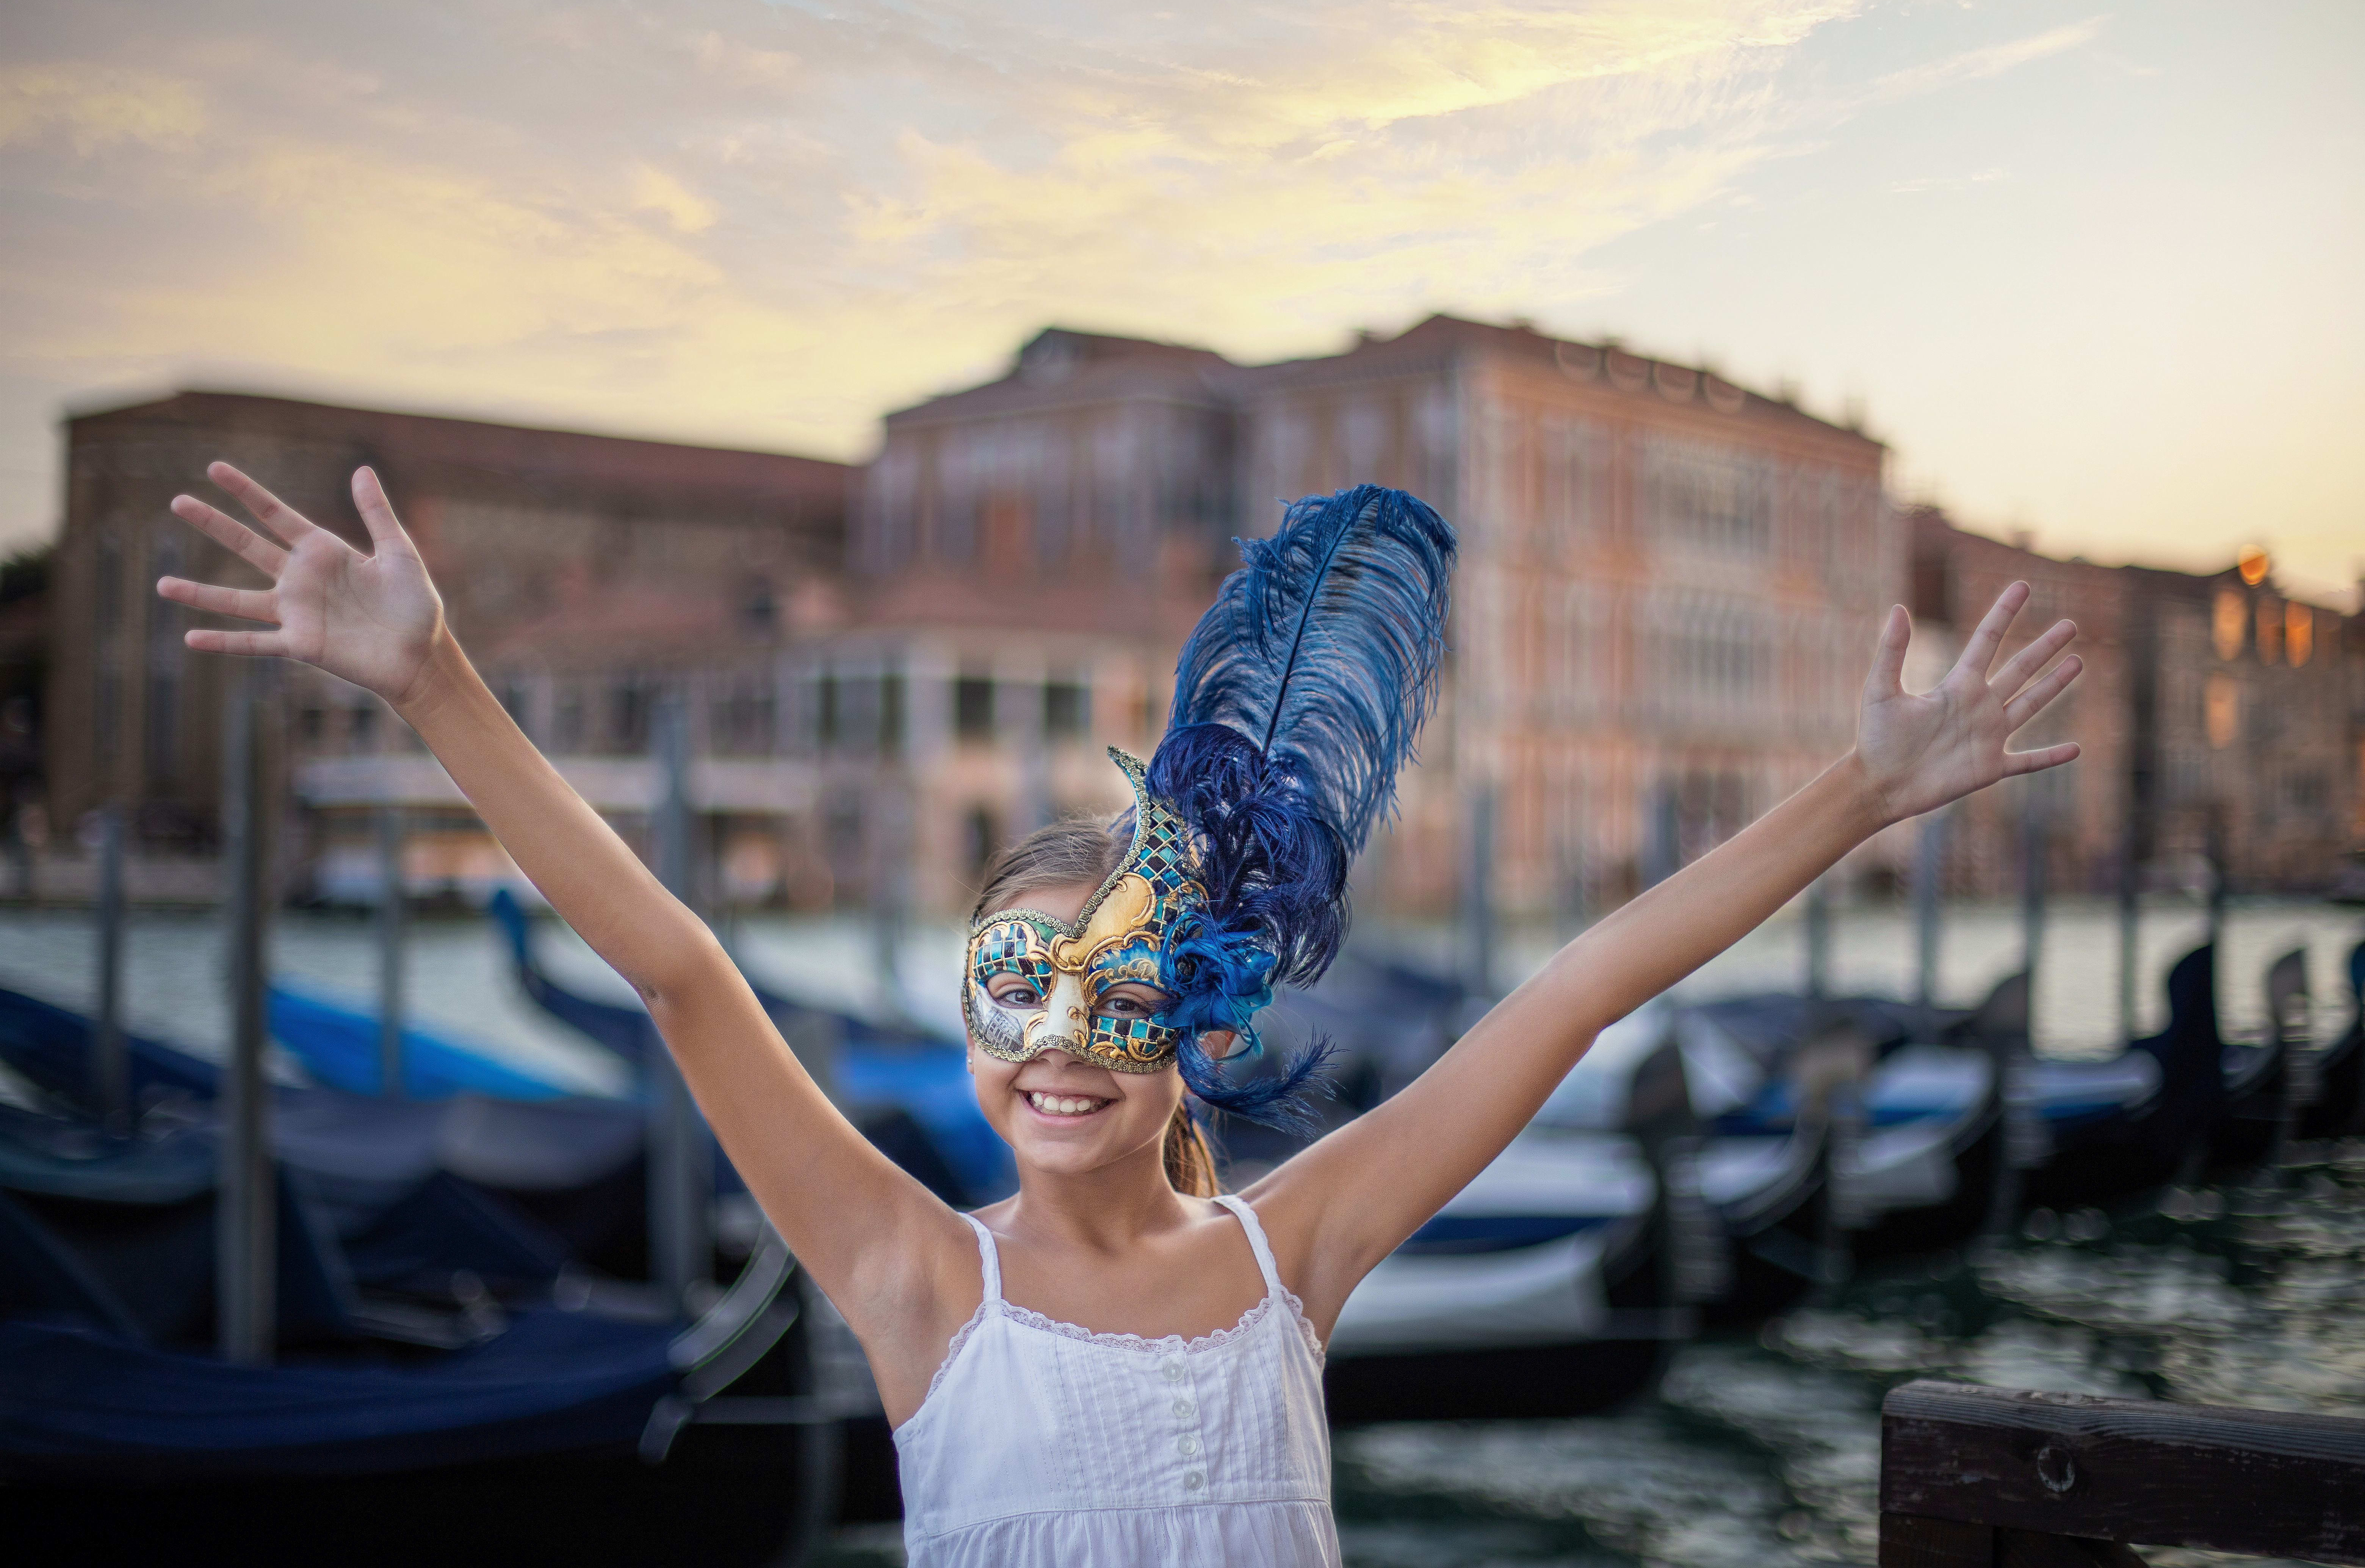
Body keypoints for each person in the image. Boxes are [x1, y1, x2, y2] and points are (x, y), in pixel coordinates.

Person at [160, 464, 2082, 1566]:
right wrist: (436, 688)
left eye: (1115, 985)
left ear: (1198, 1018)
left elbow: (1579, 987)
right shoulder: (918, 1280)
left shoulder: (1295, 1247)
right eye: (1013, 983)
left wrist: (1864, 791)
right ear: (973, 1024)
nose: (1057, 1033)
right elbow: (680, 966)